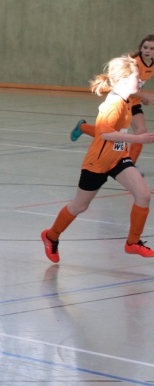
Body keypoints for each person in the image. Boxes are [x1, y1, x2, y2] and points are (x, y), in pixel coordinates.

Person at [42, 55, 154, 262]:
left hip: (118, 158)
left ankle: (133, 242)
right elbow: (105, 134)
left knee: (144, 195)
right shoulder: (114, 104)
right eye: (136, 77)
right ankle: (51, 236)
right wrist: (138, 138)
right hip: (98, 163)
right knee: (79, 206)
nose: (139, 80)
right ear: (123, 79)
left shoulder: (126, 99)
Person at [71, 35, 154, 166]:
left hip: (134, 102)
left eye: (151, 48)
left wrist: (142, 96)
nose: (148, 51)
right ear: (140, 48)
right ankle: (83, 127)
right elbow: (127, 87)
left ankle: (130, 164)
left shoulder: (151, 65)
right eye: (145, 47)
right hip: (123, 100)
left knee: (140, 132)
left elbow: (138, 85)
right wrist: (145, 95)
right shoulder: (133, 64)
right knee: (110, 132)